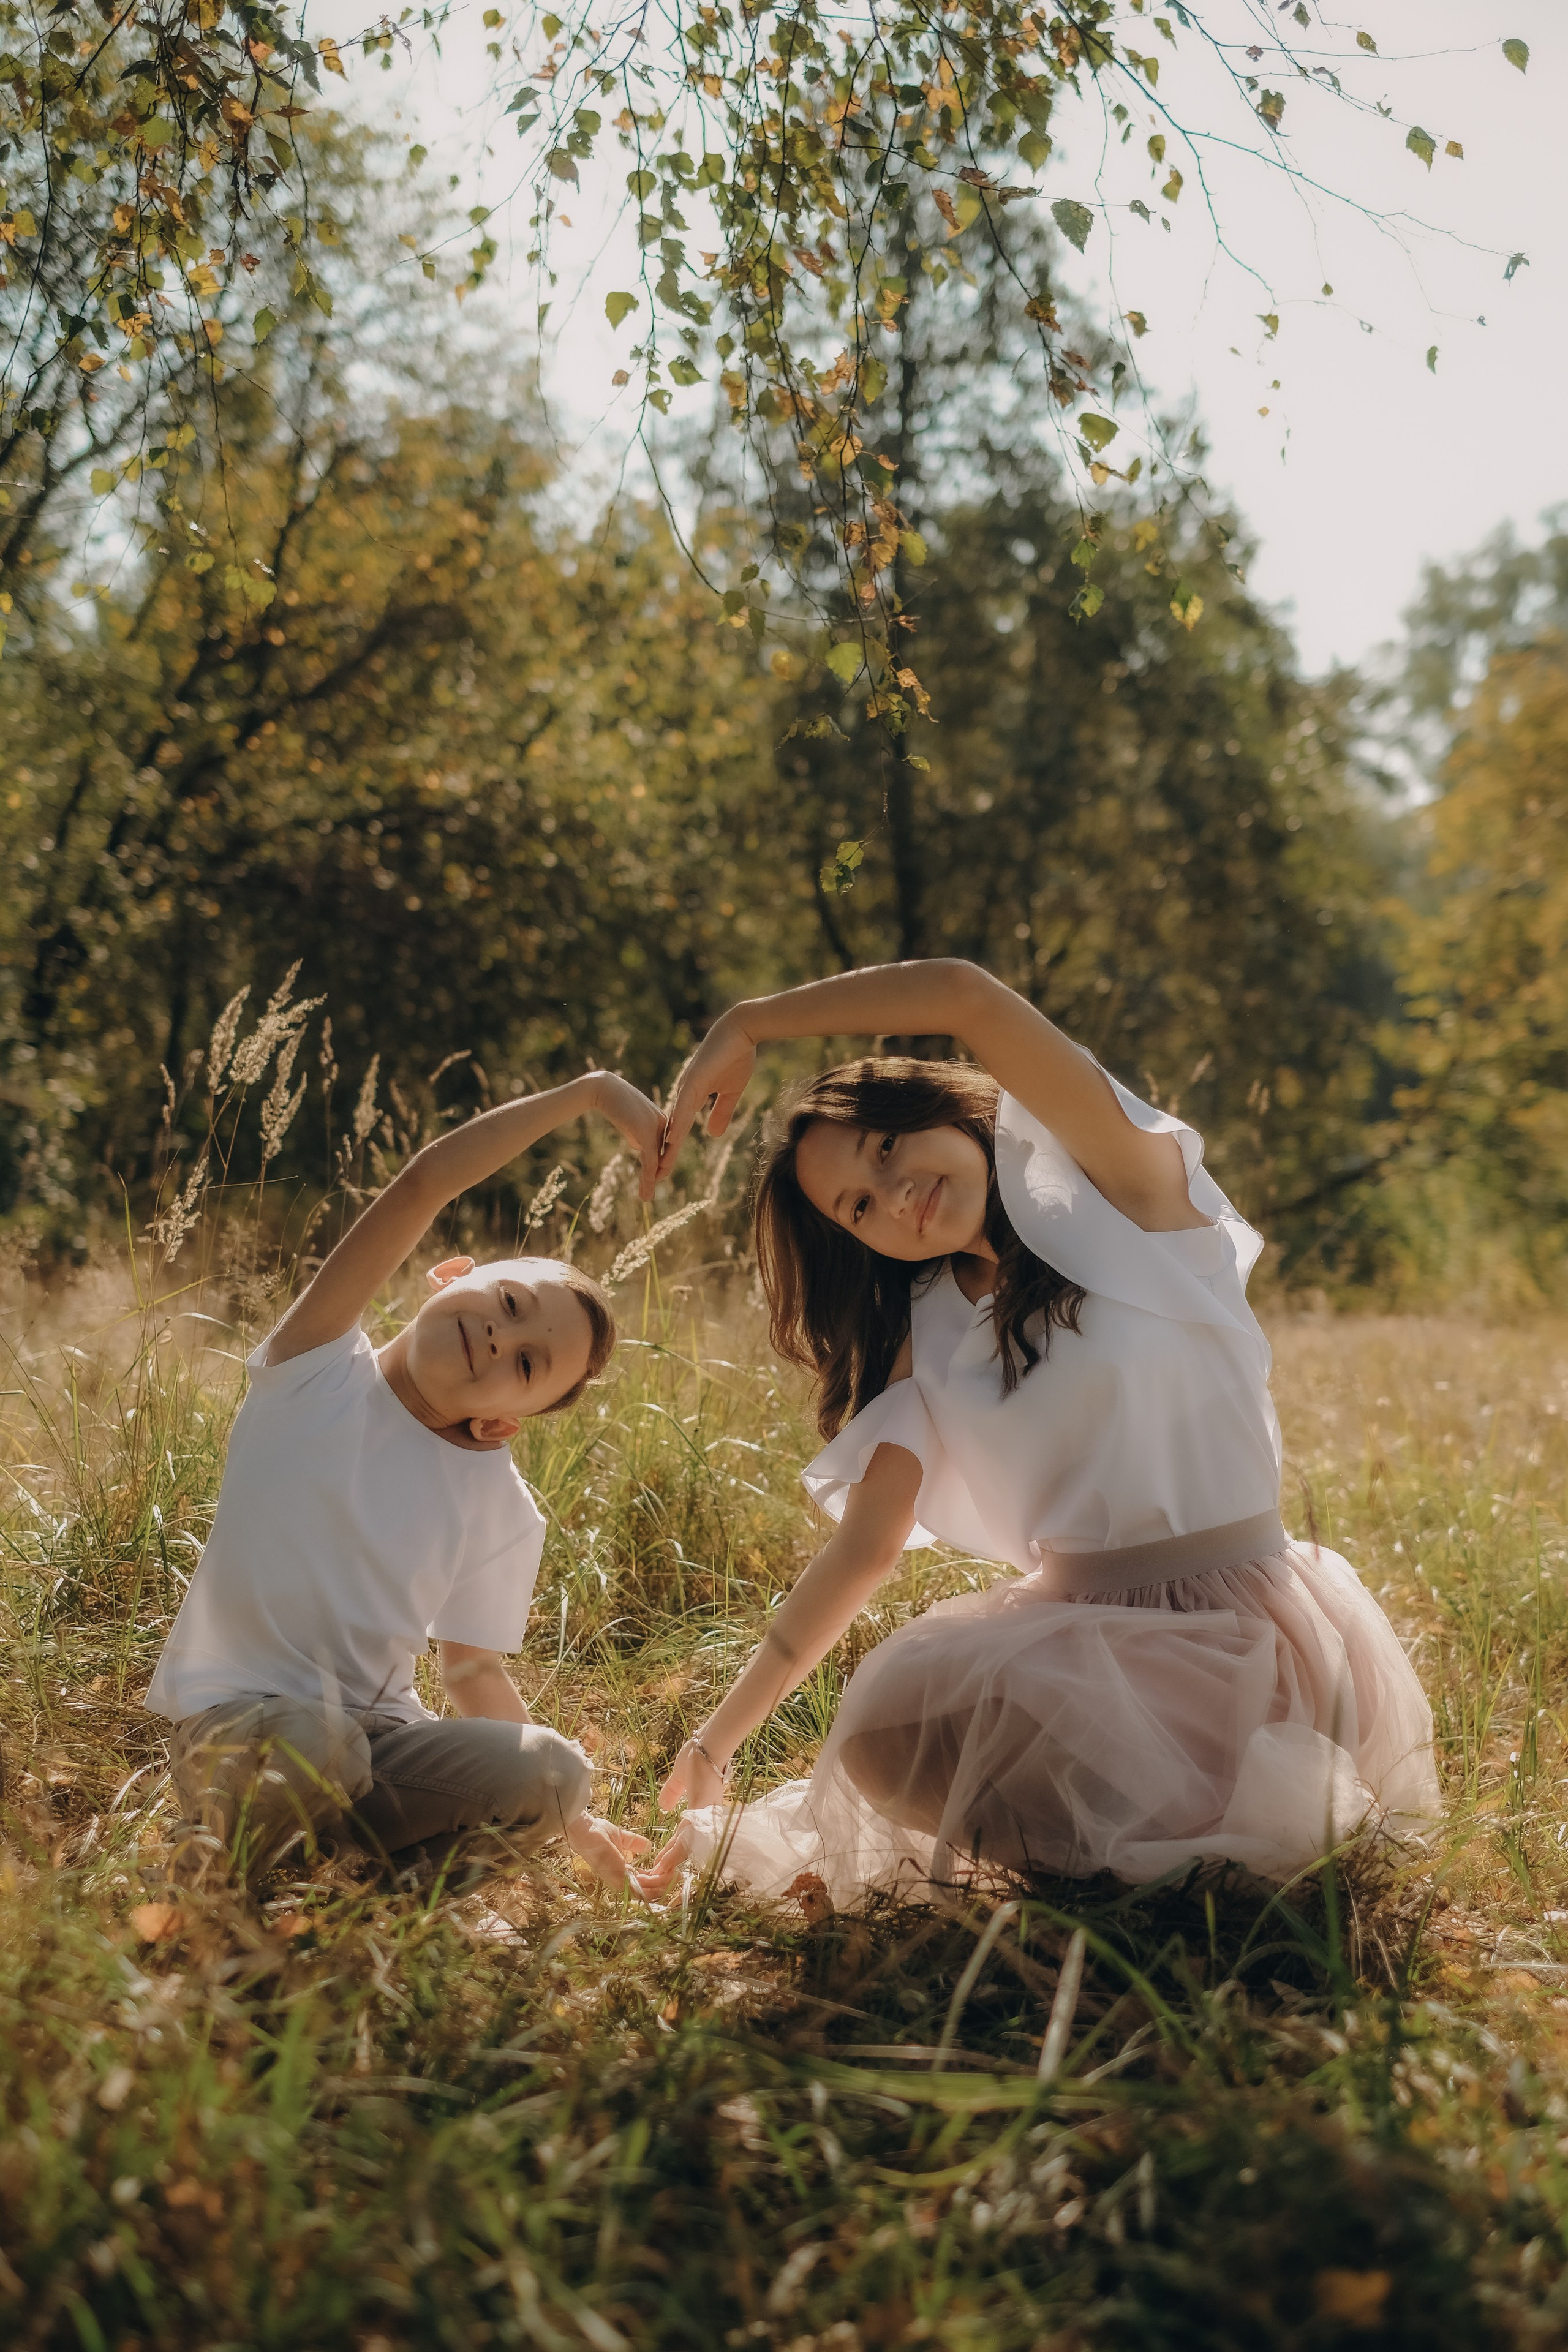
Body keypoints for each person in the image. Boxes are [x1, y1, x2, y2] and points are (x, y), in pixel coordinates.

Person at [641, 959, 1440, 1904]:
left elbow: (965, 997)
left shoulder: (1125, 1194)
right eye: (858, 1206)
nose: (893, 1194)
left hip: (1248, 1636)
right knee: (887, 1718)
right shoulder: (930, 1327)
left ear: (946, 1110)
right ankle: (1140, 1876)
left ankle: (1198, 1865)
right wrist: (714, 1742)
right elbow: (865, 1547)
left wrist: (752, 1022)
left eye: (887, 1148)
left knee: (1059, 1727)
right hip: (1082, 1636)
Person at [148, 1070, 662, 1890]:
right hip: (240, 1729)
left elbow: (471, 1672)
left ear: (505, 1423)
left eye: (527, 1364)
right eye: (508, 1303)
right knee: (319, 1746)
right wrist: (590, 1094)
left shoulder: (499, 1505)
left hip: (382, 1749)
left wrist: (575, 1818)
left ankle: (370, 1898)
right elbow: (427, 1181)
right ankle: (226, 1870)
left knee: (556, 1774)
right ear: (449, 1274)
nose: (500, 1338)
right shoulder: (315, 1369)